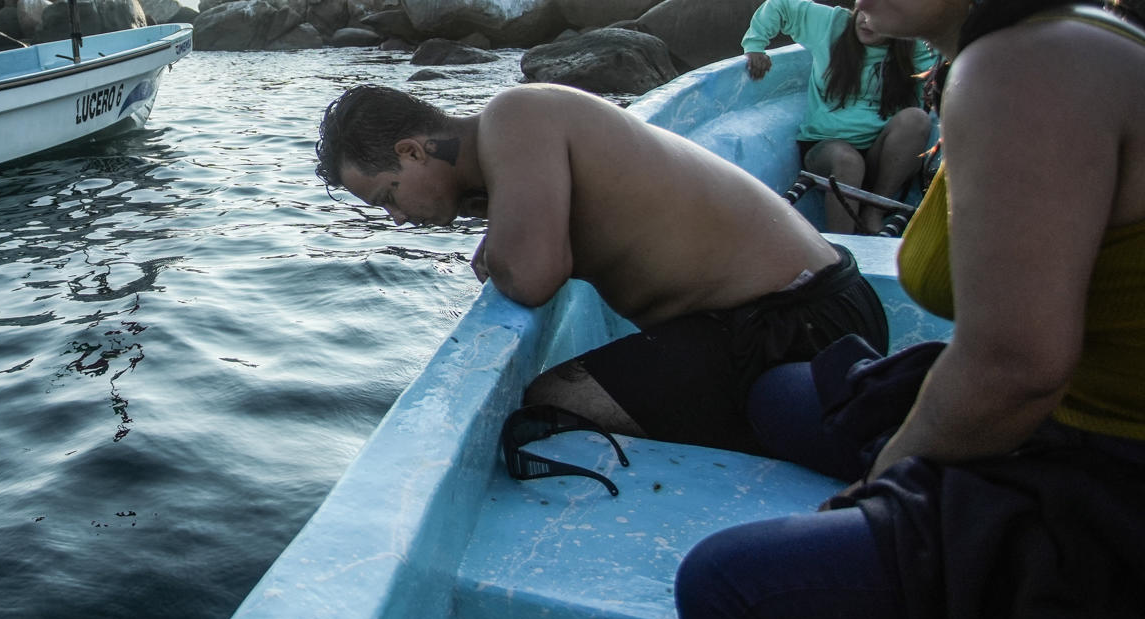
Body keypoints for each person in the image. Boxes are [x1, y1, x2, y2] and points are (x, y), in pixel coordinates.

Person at [675, 0, 1145, 619]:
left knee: (731, 587)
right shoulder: (1060, 45)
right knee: (781, 397)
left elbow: (1016, 365)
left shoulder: (1024, 67)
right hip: (1070, 426)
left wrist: (886, 480)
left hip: (1106, 480)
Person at [313, 81, 888, 455]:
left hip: (798, 320)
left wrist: (501, 248)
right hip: (790, 309)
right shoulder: (503, 155)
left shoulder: (515, 115)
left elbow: (533, 274)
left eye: (388, 194)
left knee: (556, 401)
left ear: (413, 152)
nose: (394, 218)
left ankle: (832, 417)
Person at [741, 0, 937, 233]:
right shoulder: (831, 24)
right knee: (848, 161)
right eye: (862, 12)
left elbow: (948, 69)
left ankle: (874, 211)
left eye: (877, 16)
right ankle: (842, 244)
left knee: (916, 119)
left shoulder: (913, 46)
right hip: (826, 149)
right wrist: (755, 45)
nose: (865, 21)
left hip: (880, 155)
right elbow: (780, 5)